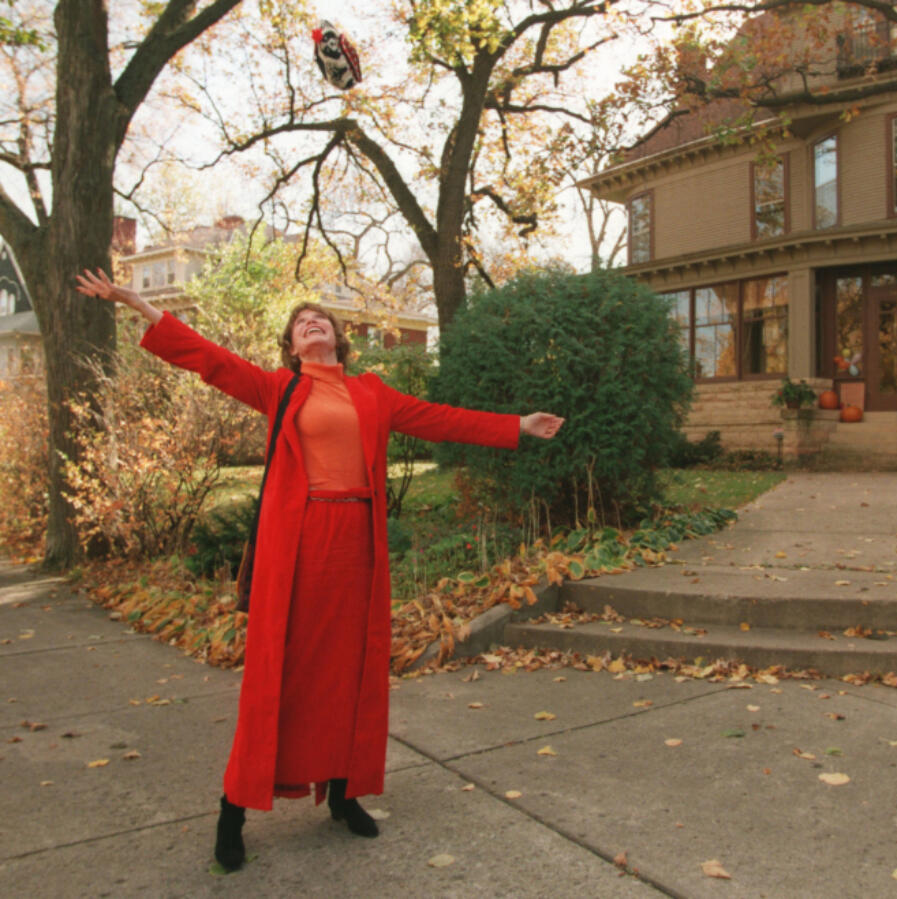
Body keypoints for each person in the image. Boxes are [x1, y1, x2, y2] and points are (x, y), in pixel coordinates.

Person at [74, 268, 564, 872]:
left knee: (349, 669)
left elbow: (438, 418)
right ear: (292, 345)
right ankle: (235, 807)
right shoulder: (279, 390)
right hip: (300, 542)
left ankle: (343, 792)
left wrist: (516, 425)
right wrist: (139, 303)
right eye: (300, 323)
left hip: (356, 542)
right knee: (280, 672)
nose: (311, 324)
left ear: (337, 335)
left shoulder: (373, 394)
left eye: (320, 319)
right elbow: (209, 359)